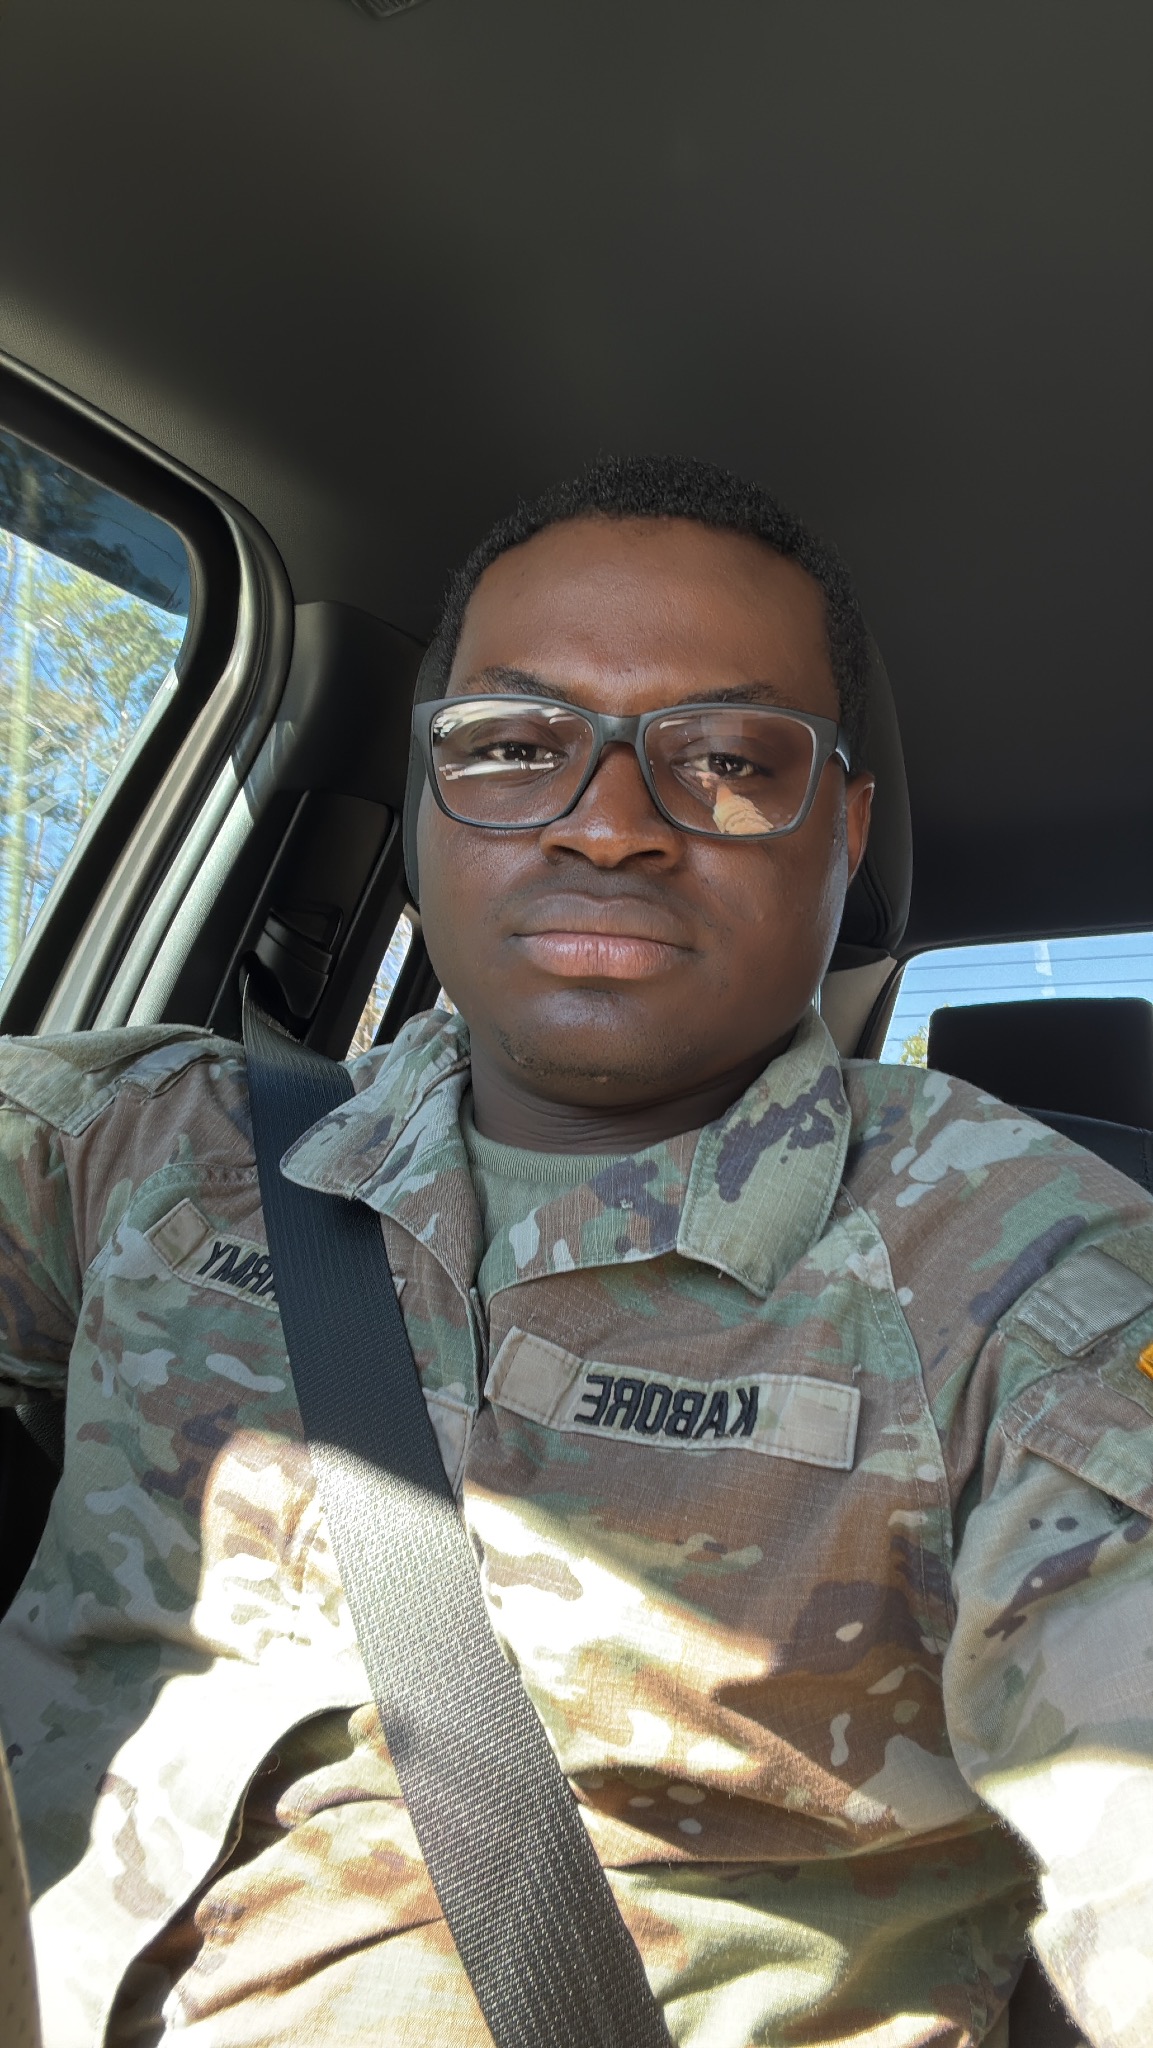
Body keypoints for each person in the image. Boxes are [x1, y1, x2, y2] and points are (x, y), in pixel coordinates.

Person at [1, 454, 1151, 2048]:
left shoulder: (1025, 1278)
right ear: (422, 801)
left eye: (728, 761)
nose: (610, 829)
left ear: (843, 833)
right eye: (512, 746)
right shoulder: (140, 1143)